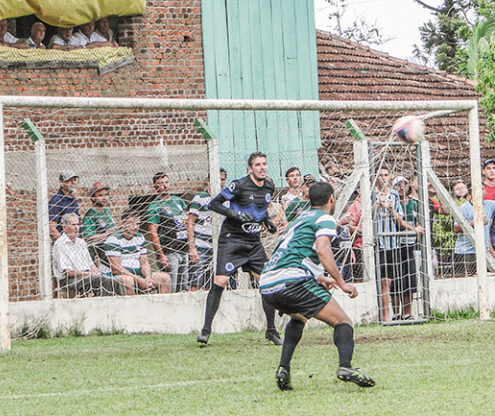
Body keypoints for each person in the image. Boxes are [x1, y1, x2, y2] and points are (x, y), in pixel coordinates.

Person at [259, 182, 375, 390]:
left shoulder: (300, 219)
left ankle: (283, 368)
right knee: (343, 322)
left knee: (299, 316)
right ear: (331, 199)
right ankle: (345, 367)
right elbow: (322, 250)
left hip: (268, 283)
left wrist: (320, 277)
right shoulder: (325, 219)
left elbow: (295, 253)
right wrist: (342, 283)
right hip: (292, 281)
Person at [198, 151, 281, 345]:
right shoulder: (240, 185)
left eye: (264, 164)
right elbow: (214, 203)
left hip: (253, 243)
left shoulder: (269, 186)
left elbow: (260, 211)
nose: (262, 167)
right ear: (250, 169)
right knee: (221, 281)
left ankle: (271, 330)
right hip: (232, 240)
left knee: (266, 284)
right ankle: (206, 330)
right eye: (258, 165)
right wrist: (235, 214)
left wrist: (267, 222)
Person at [374, 167, 423, 321]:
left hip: (395, 244)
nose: (383, 178)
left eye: (385, 174)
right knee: (385, 283)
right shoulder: (371, 194)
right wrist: (379, 205)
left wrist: (392, 211)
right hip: (379, 244)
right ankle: (387, 317)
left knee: (403, 280)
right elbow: (368, 216)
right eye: (380, 175)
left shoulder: (396, 196)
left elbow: (399, 219)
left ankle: (404, 314)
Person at [452, 177, 495, 277]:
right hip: (466, 251)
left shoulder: (489, 204)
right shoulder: (464, 208)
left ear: (485, 192)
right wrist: (474, 223)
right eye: (477, 189)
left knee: (487, 280)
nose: (480, 191)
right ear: (471, 191)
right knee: (468, 282)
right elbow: (456, 228)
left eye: (482, 189)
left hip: (484, 250)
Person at [52, 214, 125, 297]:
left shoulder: (81, 242)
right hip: (69, 280)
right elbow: (68, 272)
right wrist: (88, 274)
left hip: (85, 275)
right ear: (64, 227)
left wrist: (97, 272)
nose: (77, 228)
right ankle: (104, 304)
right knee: (98, 280)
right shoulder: (60, 245)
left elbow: (90, 264)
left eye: (78, 224)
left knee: (113, 281)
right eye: (73, 225)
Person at [102, 210, 170, 295]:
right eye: (132, 224)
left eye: (137, 224)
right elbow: (116, 269)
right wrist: (139, 280)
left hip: (138, 274)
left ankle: (162, 307)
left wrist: (147, 278)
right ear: (123, 223)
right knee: (128, 281)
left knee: (164, 278)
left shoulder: (140, 237)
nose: (135, 227)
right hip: (117, 276)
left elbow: (144, 263)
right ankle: (134, 307)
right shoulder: (113, 239)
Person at [147, 172, 189, 293]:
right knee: (172, 286)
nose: (165, 186)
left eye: (166, 182)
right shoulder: (154, 206)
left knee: (185, 286)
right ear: (155, 187)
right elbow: (153, 232)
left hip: (183, 249)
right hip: (169, 251)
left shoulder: (178, 201)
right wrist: (161, 255)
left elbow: (186, 221)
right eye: (161, 184)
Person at [393, 176, 425, 319]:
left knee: (410, 281)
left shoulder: (414, 204)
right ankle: (395, 313)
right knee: (396, 281)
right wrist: (413, 228)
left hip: (411, 246)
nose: (401, 188)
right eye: (397, 185)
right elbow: (398, 222)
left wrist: (417, 230)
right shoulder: (392, 204)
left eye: (403, 185)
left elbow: (420, 222)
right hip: (395, 247)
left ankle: (407, 313)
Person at [81, 182, 116, 269]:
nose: (104, 198)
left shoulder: (107, 211)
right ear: (93, 198)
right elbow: (88, 237)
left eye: (106, 195)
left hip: (113, 251)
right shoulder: (89, 216)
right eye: (100, 195)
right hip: (99, 256)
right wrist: (106, 234)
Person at [48, 170, 80, 242]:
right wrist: (63, 244)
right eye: (69, 180)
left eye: (74, 180)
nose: (73, 182)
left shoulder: (73, 200)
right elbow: (51, 228)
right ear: (62, 183)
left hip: (75, 243)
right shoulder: (56, 201)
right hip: (63, 244)